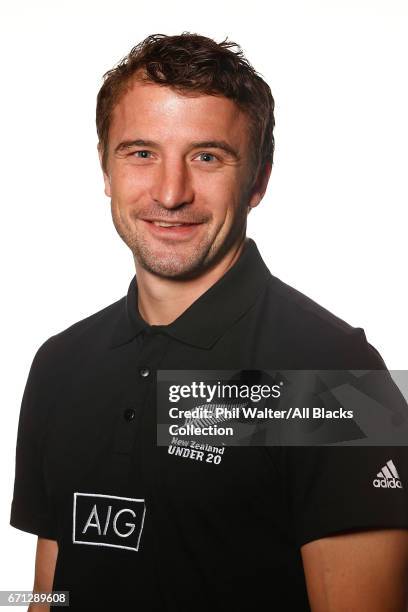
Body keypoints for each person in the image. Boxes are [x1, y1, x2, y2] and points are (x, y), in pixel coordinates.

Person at [10, 32, 408, 611]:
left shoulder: (336, 375)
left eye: (207, 156)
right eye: (141, 152)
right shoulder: (59, 364)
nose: (171, 194)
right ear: (105, 168)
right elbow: (51, 592)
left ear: (259, 179)